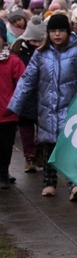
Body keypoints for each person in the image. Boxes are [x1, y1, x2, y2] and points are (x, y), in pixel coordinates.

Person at [8, 14, 77, 196]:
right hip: (47, 109)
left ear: (68, 32)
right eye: (53, 31)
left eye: (61, 31)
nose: (57, 35)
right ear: (48, 34)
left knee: (69, 148)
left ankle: (73, 185)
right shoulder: (41, 54)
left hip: (71, 109)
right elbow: (27, 80)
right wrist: (15, 104)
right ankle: (49, 183)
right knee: (49, 147)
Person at [9, 15, 46, 173]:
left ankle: (39, 152)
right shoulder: (18, 52)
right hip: (26, 96)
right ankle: (29, 155)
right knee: (26, 128)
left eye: (40, 41)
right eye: (34, 41)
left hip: (43, 94)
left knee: (44, 127)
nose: (37, 44)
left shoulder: (47, 51)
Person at [0, 22, 25, 188]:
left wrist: (15, 105)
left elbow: (23, 84)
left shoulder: (12, 61)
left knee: (5, 146)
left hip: (7, 113)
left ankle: (3, 173)